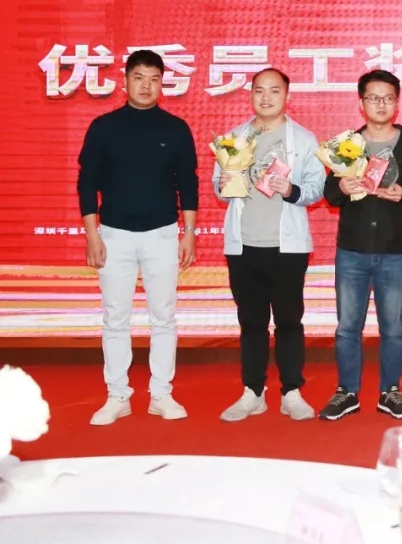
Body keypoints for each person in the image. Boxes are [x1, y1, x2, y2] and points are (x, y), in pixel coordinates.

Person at [76, 49, 198, 426]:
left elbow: (188, 184)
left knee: (164, 317)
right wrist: (92, 235)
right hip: (114, 235)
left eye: (154, 79)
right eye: (139, 78)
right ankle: (118, 395)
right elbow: (87, 184)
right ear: (125, 81)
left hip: (163, 235)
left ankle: (161, 393)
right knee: (115, 318)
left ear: (163, 83)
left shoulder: (176, 129)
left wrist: (188, 233)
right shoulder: (103, 127)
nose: (146, 86)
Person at [318, 70, 402, 421]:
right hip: (352, 250)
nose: (381, 104)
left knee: (393, 329)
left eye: (388, 98)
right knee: (347, 328)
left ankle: (390, 392)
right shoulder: (347, 145)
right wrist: (342, 186)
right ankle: (347, 392)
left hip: (394, 251)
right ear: (361, 103)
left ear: (397, 103)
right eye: (373, 98)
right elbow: (330, 195)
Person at [213, 68, 326, 422]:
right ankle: (253, 392)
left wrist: (291, 190)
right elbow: (219, 187)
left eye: (274, 91)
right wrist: (225, 182)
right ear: (250, 95)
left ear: (287, 96)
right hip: (244, 245)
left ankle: (291, 391)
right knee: (251, 322)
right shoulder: (234, 137)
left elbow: (316, 188)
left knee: (289, 321)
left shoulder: (303, 139)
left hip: (287, 247)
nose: (266, 97)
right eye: (259, 90)